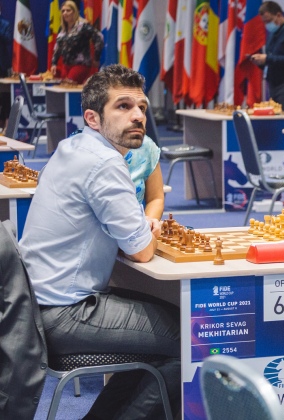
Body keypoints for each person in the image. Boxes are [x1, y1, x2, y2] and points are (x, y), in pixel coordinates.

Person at [19, 65, 179, 418]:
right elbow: (141, 250)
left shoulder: (71, 146)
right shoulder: (106, 163)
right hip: (65, 314)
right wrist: (144, 229)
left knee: (165, 331)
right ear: (93, 118)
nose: (138, 116)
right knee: (192, 338)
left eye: (142, 108)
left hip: (39, 305)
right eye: (123, 107)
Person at [249, 1, 284, 112]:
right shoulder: (273, 34)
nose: (267, 25)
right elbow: (272, 60)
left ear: (278, 15)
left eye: (268, 21)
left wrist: (267, 59)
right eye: (264, 22)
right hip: (274, 84)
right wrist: (260, 62)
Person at [49, 0, 103, 84]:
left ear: (74, 12)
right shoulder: (62, 29)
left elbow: (99, 38)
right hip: (66, 66)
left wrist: (96, 58)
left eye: (68, 10)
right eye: (63, 11)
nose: (65, 13)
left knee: (70, 85)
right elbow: (58, 48)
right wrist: (54, 64)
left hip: (81, 65)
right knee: (63, 87)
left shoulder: (83, 26)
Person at [126, 135, 164, 219]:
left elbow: (155, 199)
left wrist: (147, 227)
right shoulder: (92, 150)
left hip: (137, 227)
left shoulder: (145, 145)